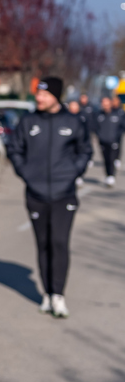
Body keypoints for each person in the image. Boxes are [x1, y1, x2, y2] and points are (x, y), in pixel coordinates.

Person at [7, 77, 91, 318]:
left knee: (59, 242)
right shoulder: (28, 122)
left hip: (64, 194)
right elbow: (14, 149)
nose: (39, 98)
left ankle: (59, 295)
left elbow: (85, 150)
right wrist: (26, 173)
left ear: (56, 96)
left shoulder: (73, 122)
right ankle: (47, 293)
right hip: (36, 194)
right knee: (43, 244)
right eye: (38, 93)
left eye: (44, 94)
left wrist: (73, 172)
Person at [93, 96, 124, 187]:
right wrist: (99, 135)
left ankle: (111, 175)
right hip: (103, 141)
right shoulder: (99, 115)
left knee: (111, 158)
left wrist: (116, 136)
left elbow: (122, 127)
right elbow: (95, 127)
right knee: (106, 159)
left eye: (107, 103)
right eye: (103, 103)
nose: (105, 105)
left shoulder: (118, 114)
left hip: (114, 141)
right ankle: (107, 175)